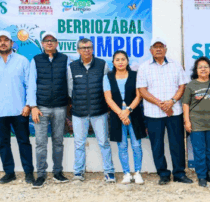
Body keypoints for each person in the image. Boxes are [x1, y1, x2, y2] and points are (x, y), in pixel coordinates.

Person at [0, 30, 34, 185]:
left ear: (11, 43)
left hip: (20, 111)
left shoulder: (22, 61)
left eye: (6, 40)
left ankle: (28, 173)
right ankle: (9, 173)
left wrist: (28, 104)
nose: (3, 43)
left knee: (24, 142)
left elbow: (30, 85)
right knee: (3, 144)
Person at [137, 36, 191, 185]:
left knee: (177, 143)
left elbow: (182, 86)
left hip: (174, 112)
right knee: (157, 145)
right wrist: (161, 104)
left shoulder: (175, 65)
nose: (159, 49)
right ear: (150, 50)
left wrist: (172, 101)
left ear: (166, 49)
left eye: (161, 46)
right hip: (153, 113)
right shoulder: (144, 67)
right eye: (155, 47)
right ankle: (163, 174)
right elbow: (142, 90)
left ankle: (179, 173)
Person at [68, 38, 115, 182]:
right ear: (78, 50)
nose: (86, 50)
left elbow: (107, 87)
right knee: (79, 144)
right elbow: (70, 89)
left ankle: (109, 172)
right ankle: (78, 172)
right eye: (83, 48)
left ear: (93, 49)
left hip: (99, 111)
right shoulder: (72, 67)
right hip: (79, 112)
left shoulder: (102, 64)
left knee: (104, 142)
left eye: (89, 47)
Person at [27, 32, 70, 188]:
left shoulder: (65, 59)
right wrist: (33, 106)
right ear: (42, 44)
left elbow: (69, 82)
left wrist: (69, 102)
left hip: (60, 107)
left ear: (57, 43)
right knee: (40, 143)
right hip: (41, 108)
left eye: (52, 40)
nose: (49, 43)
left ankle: (58, 172)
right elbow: (31, 84)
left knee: (58, 142)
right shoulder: (36, 60)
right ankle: (41, 175)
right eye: (46, 41)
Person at [104, 50, 146, 185]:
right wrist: (121, 114)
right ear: (113, 62)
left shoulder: (135, 75)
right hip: (117, 115)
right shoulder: (108, 77)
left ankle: (137, 173)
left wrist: (127, 110)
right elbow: (109, 99)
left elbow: (139, 96)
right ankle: (126, 173)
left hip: (133, 113)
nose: (120, 62)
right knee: (122, 145)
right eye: (117, 59)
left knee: (136, 144)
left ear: (127, 61)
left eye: (123, 59)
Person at [183, 57, 210, 187]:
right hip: (196, 123)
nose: (203, 69)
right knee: (199, 151)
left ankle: (209, 173)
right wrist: (187, 121)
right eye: (200, 67)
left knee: (209, 150)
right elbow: (185, 104)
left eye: (206, 66)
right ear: (196, 70)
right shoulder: (191, 85)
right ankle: (202, 176)